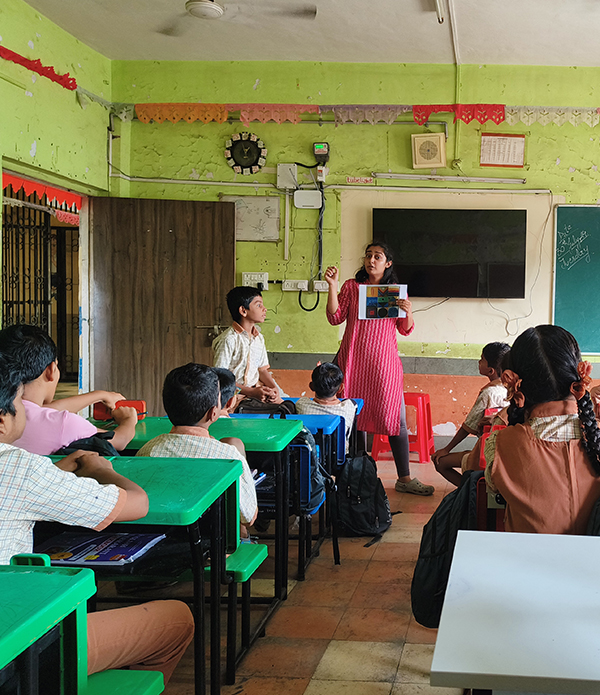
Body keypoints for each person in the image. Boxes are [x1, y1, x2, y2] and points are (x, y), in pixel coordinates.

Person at [0, 354, 194, 683]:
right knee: (178, 619)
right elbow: (138, 504)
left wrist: (53, 471)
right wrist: (103, 470)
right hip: (19, 650)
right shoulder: (19, 467)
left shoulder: (28, 472)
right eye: (20, 402)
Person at [325, 241, 432, 495]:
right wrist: (331, 286)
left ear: (388, 263)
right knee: (357, 420)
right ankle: (360, 475)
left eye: (378, 256)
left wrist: (409, 311)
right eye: (368, 256)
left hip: (384, 365)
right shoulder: (352, 287)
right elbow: (334, 317)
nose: (371, 260)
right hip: (354, 363)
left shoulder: (395, 292)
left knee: (396, 418)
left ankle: (404, 479)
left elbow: (405, 329)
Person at [485, 325, 600, 534]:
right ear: (578, 374)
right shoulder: (595, 435)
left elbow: (492, 487)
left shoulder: (500, 442)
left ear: (514, 382)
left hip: (527, 562)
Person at [138, 363, 258, 529]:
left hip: (161, 542)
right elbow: (248, 516)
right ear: (213, 413)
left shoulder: (147, 451)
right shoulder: (229, 457)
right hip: (213, 549)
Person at [0, 325, 138, 455]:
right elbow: (119, 441)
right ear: (51, 370)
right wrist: (128, 420)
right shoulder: (63, 425)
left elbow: (45, 409)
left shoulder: (8, 412)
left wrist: (100, 395)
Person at [432, 342, 511, 486]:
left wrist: (446, 449)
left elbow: (468, 426)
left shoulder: (488, 393)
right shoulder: (511, 390)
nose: (478, 362)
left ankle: (469, 493)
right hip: (506, 454)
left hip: (486, 454)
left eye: (482, 359)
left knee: (439, 462)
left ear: (490, 370)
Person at [212, 286, 284, 405]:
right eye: (259, 305)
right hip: (233, 396)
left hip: (256, 391)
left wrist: (274, 388)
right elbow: (221, 379)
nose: (265, 309)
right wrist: (251, 392)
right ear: (243, 311)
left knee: (287, 407)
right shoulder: (228, 339)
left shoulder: (259, 338)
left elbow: (262, 370)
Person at [295, 362, 357, 451]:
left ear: (311, 386)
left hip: (309, 457)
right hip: (340, 459)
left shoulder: (301, 404)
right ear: (341, 388)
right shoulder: (349, 406)